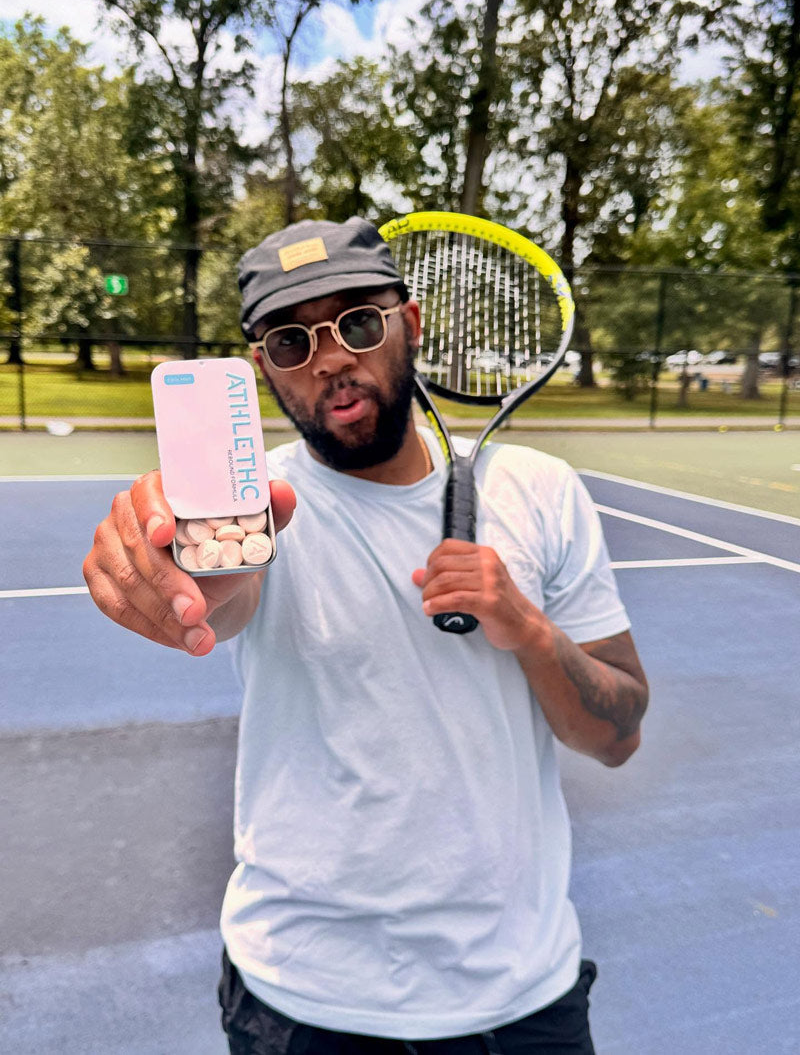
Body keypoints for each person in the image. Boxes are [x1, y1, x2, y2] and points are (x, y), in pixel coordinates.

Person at [83, 216, 648, 1054]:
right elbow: (221, 593)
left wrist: (525, 626)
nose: (329, 358)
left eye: (355, 321)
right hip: (302, 1004)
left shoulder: (543, 490)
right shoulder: (255, 507)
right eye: (288, 340)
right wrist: (168, 582)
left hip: (523, 1002)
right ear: (267, 371)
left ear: (408, 325)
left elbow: (618, 732)